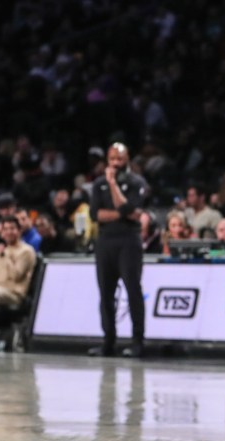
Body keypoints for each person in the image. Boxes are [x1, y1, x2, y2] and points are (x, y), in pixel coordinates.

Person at [88, 143, 148, 358]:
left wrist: (113, 184)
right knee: (105, 293)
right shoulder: (98, 184)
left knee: (133, 290)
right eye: (112, 158)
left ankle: (137, 342)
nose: (115, 163)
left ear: (127, 159)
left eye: (119, 159)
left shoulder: (137, 182)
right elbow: (96, 214)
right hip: (105, 241)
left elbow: (130, 212)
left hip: (128, 242)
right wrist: (123, 212)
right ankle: (108, 341)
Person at [0, 216, 37, 323]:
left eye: (12, 228)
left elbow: (16, 275)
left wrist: (5, 256)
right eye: (5, 229)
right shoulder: (2, 250)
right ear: (2, 233)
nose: (9, 232)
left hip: (14, 294)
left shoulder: (26, 251)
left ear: (19, 230)